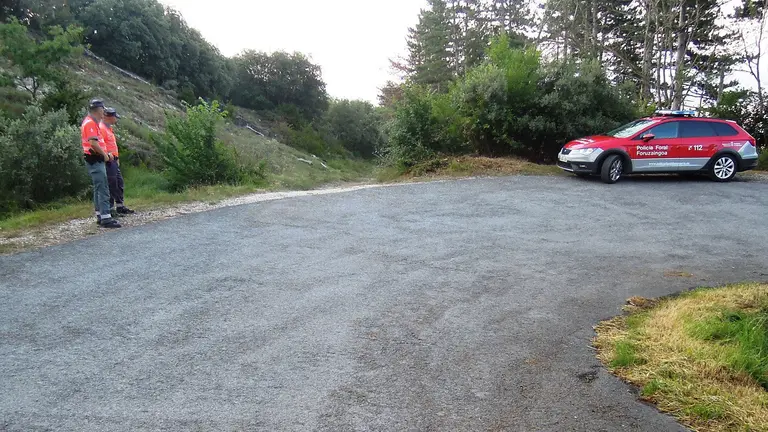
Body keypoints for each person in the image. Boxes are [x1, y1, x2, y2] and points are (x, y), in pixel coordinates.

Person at [81, 99, 120, 229]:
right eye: (103, 109)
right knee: (103, 187)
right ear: (98, 110)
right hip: (95, 159)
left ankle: (100, 215)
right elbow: (93, 143)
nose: (104, 112)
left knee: (98, 187)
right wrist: (105, 155)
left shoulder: (93, 123)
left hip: (95, 158)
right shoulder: (90, 123)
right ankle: (106, 218)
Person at [100, 108, 135, 215]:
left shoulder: (109, 128)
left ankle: (120, 206)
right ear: (109, 117)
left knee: (119, 183)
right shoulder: (102, 128)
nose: (116, 119)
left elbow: (112, 145)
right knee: (111, 184)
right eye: (115, 117)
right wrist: (107, 157)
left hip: (114, 160)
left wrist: (117, 159)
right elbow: (101, 145)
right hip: (108, 160)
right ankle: (110, 209)